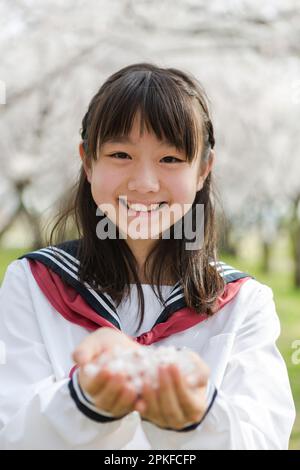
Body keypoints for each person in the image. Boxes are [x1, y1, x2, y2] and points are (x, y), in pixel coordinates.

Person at [0, 63, 295, 450]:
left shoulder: (242, 303)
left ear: (204, 169)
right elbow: (11, 433)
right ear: (88, 162)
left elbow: (261, 440)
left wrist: (197, 415)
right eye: (121, 154)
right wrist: (84, 401)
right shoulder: (33, 283)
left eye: (170, 159)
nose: (144, 183)